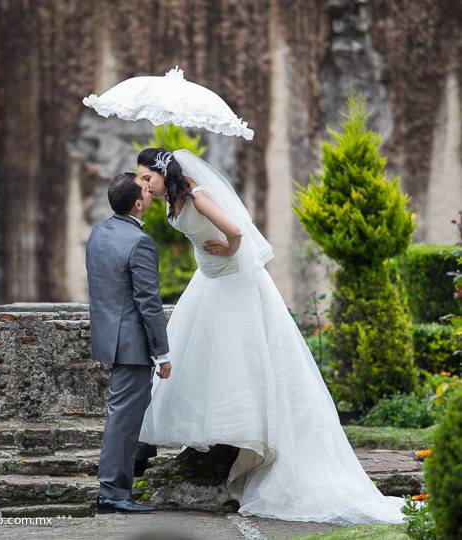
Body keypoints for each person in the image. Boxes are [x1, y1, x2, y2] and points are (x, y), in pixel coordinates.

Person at [136, 147, 405, 524]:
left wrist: (227, 249)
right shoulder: (174, 201)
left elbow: (235, 231)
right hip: (208, 283)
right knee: (206, 359)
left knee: (239, 358)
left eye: (148, 177)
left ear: (165, 172)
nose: (145, 184)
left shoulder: (197, 195)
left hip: (231, 282)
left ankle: (248, 438)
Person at [85, 172, 172, 514]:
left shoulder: (99, 232)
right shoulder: (140, 242)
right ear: (138, 204)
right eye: (145, 190)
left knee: (126, 414)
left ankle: (134, 466)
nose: (150, 192)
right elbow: (148, 302)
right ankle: (113, 493)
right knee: (123, 417)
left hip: (110, 335)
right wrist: (162, 353)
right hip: (133, 342)